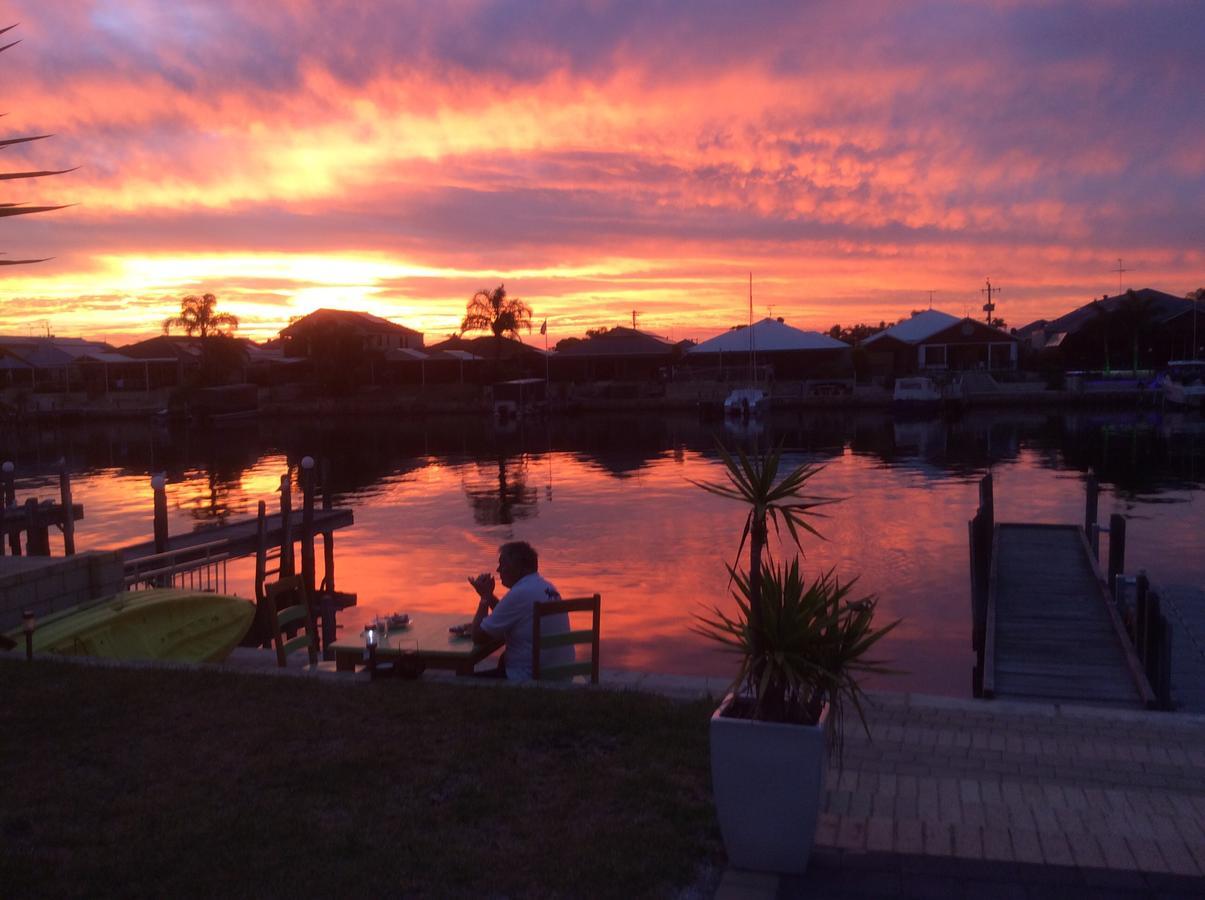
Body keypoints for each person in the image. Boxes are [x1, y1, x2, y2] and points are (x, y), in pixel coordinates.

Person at [467, 540, 572, 681]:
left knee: (461, 681)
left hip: (529, 678)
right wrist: (490, 596)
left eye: (503, 565)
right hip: (560, 675)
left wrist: (485, 599)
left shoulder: (520, 593)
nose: (498, 570)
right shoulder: (546, 586)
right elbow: (509, 615)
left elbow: (478, 637)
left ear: (520, 568)